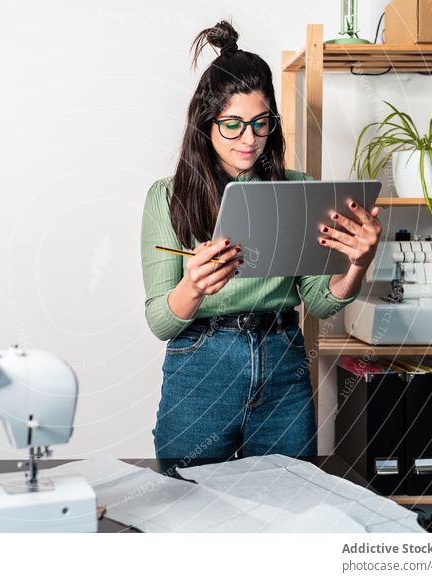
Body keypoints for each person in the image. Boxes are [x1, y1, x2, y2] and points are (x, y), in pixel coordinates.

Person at [140, 20, 382, 461]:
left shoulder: (299, 189)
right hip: (202, 363)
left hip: (283, 360)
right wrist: (192, 287)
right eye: (232, 124)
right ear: (206, 122)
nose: (248, 139)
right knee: (187, 509)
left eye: (260, 123)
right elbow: (161, 322)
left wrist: (357, 266)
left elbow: (321, 301)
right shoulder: (167, 196)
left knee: (289, 508)